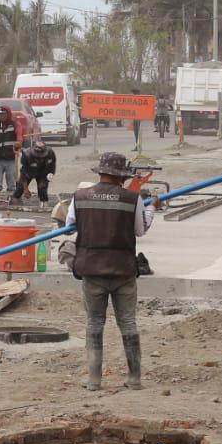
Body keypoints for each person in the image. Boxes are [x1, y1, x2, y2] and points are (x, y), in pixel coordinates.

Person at [71, 151, 155, 391]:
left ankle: (94, 380)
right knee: (128, 322)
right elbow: (140, 230)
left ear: (100, 173)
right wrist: (151, 210)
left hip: (92, 269)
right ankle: (134, 378)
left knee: (94, 323)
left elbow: (69, 225)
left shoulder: (80, 196)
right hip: (123, 270)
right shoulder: (132, 199)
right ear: (121, 177)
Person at [14, 135, 57, 205]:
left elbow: (52, 167)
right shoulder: (26, 155)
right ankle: (15, 200)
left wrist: (47, 179)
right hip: (29, 172)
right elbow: (23, 173)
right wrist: (26, 189)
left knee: (42, 189)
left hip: (43, 172)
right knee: (20, 188)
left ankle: (44, 203)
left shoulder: (50, 153)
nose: (40, 158)